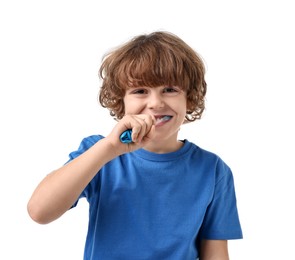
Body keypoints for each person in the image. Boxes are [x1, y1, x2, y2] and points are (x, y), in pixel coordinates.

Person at [27, 31, 243, 260]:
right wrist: (108, 148)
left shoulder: (214, 170)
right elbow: (39, 211)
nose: (156, 103)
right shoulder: (99, 153)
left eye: (170, 90)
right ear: (121, 101)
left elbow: (216, 253)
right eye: (140, 91)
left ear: (189, 98)